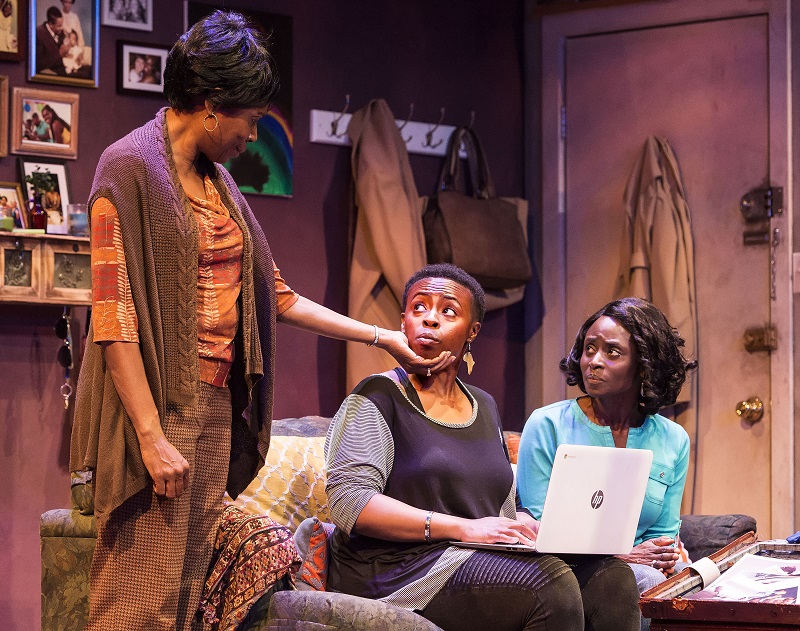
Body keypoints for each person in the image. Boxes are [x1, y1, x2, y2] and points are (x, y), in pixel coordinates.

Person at [69, 11, 451, 631]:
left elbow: (275, 296)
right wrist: (150, 435)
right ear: (212, 105)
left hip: (215, 410)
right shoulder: (129, 169)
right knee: (138, 596)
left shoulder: (218, 185)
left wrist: (384, 337)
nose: (254, 135)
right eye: (250, 119)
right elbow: (114, 319)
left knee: (189, 589)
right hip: (160, 410)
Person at [324, 263, 641, 631]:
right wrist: (463, 528)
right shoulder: (377, 395)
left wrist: (521, 523)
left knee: (611, 578)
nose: (429, 319)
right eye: (418, 308)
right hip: (395, 569)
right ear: (403, 322)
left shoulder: (483, 405)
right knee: (548, 584)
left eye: (447, 311)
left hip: (470, 555)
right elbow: (350, 504)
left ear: (472, 331)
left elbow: (498, 502)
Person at [517, 297, 696, 631]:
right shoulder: (547, 425)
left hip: (646, 570)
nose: (593, 362)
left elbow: (663, 538)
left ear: (644, 365)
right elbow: (541, 530)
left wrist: (655, 556)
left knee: (684, 587)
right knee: (639, 583)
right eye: (589, 349)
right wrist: (622, 556)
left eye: (612, 352)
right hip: (563, 573)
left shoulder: (674, 440)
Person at [35, 6, 68, 75]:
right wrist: (59, 54)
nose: (61, 28)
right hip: (53, 72)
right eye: (59, 26)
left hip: (64, 68)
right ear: (50, 24)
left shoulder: (61, 33)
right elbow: (39, 64)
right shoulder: (39, 35)